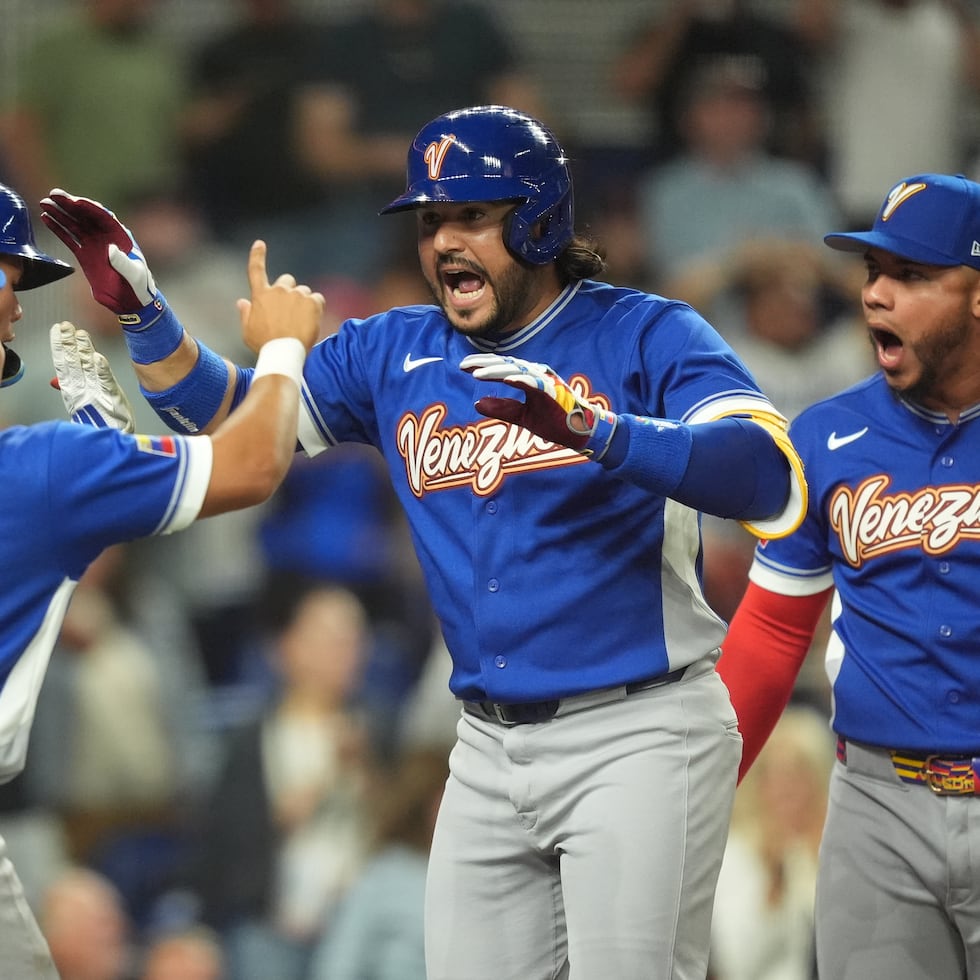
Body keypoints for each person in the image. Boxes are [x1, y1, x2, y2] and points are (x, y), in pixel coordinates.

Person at [43, 105, 808, 980]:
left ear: (540, 219)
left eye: (471, 217)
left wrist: (600, 431)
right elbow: (234, 419)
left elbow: (768, 477)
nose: (443, 240)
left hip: (637, 729)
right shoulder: (395, 347)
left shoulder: (644, 331)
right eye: (430, 220)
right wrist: (145, 315)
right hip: (483, 744)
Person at [0, 180, 323, 980]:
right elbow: (253, 464)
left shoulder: (49, 468)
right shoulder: (44, 469)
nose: (16, 305)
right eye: (7, 276)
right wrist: (282, 347)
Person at [716, 171, 980, 979]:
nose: (877, 297)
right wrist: (700, 786)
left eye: (913, 276)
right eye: (873, 273)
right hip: (875, 804)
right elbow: (769, 632)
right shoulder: (829, 435)